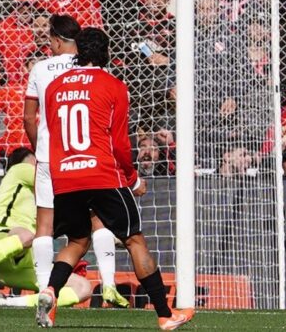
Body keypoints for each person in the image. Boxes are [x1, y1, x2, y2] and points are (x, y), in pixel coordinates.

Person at [36, 28, 194, 329]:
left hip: (65, 176)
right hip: (103, 174)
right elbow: (120, 142)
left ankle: (50, 291)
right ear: (106, 53)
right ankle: (164, 315)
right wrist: (132, 179)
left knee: (77, 241)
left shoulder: (55, 87)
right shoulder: (114, 85)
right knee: (134, 240)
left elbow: (53, 133)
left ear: (77, 51)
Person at [23, 15, 129, 309]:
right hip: (91, 156)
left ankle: (45, 291)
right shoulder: (94, 69)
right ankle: (108, 284)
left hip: (51, 157)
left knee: (45, 225)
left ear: (56, 40)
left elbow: (28, 117)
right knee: (98, 219)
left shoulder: (41, 68)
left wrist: (39, 146)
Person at [0, 148, 91, 308]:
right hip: (1, 236)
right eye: (34, 161)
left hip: (21, 264)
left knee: (83, 288)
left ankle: (8, 303)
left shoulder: (39, 195)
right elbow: (54, 180)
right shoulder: (19, 169)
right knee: (27, 236)